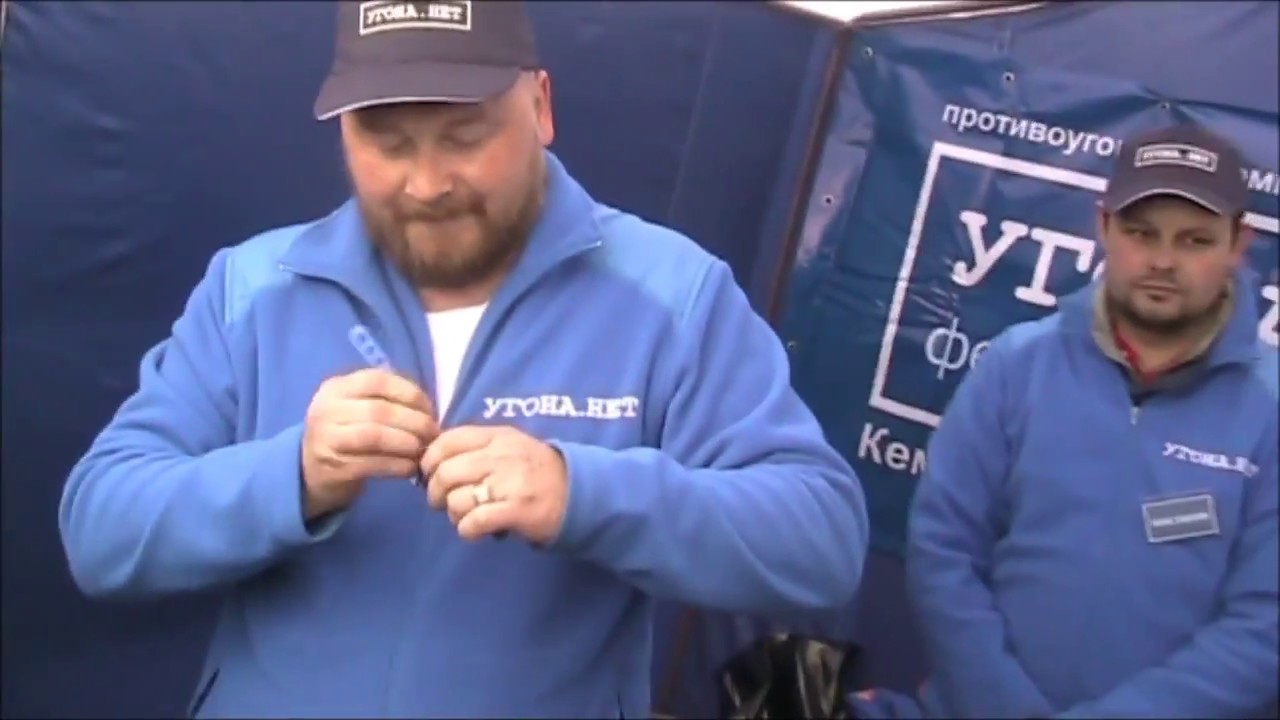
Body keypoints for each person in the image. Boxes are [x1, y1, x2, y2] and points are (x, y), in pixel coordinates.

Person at [56, 1, 869, 718]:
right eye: (387, 142)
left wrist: (583, 492)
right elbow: (101, 530)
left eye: (464, 136)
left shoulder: (673, 296)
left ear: (540, 106)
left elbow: (819, 541)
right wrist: (292, 475)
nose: (427, 183)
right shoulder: (254, 287)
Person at [906, 124, 1278, 718]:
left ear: (1240, 244)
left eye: (1195, 240)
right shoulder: (1016, 364)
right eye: (1140, 233)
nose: (1162, 260)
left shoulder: (1270, 410)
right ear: (1103, 226)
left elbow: (1264, 624)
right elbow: (943, 549)